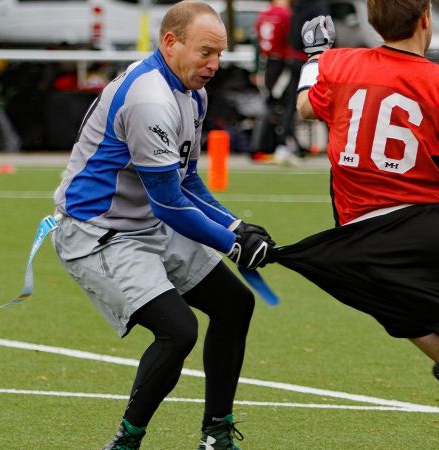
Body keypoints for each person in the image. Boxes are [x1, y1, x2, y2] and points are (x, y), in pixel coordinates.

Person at [274, 3, 439, 448]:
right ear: (425, 19)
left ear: (375, 21)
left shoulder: (340, 64)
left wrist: (316, 57)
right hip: (424, 231)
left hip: (357, 244)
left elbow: (304, 106)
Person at [51, 2, 274, 449]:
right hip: (98, 232)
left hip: (146, 219)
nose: (214, 65)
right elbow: (171, 203)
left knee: (235, 305)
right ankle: (126, 441)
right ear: (170, 43)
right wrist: (233, 244)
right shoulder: (150, 98)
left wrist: (237, 225)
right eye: (206, 52)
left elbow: (187, 180)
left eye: (220, 54)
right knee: (178, 330)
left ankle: (216, 436)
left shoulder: (193, 91)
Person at [271, 0, 330, 166]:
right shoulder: (318, 7)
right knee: (327, 102)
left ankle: (283, 145)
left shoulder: (296, 8)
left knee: (292, 105)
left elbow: (291, 35)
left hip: (296, 59)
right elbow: (326, 35)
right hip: (315, 60)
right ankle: (334, 143)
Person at [253, 0, 292, 158]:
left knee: (270, 103)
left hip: (266, 63)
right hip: (280, 64)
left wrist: (256, 69)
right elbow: (290, 40)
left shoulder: (263, 15)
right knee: (281, 105)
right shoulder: (285, 15)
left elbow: (256, 44)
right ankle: (271, 145)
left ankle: (265, 145)